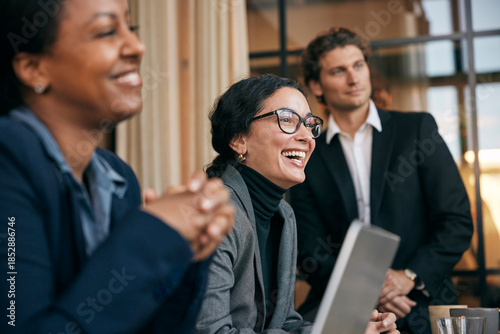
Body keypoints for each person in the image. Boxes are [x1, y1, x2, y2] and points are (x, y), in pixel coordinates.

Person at [0, 0, 234, 333]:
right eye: (107, 31)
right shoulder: (8, 156)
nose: (137, 46)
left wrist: (185, 252)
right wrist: (152, 234)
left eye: (132, 28)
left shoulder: (118, 176)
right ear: (34, 69)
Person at [288, 27, 474, 334]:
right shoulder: (308, 151)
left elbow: (456, 221)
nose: (354, 78)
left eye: (358, 65)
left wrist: (408, 277)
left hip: (417, 298)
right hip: (340, 301)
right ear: (315, 86)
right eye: (338, 70)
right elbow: (309, 248)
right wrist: (368, 289)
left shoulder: (416, 129)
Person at [195, 74, 398, 334]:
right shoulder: (212, 214)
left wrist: (351, 330)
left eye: (309, 123)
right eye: (287, 120)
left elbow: (285, 324)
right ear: (238, 139)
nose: (307, 137)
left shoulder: (283, 215)